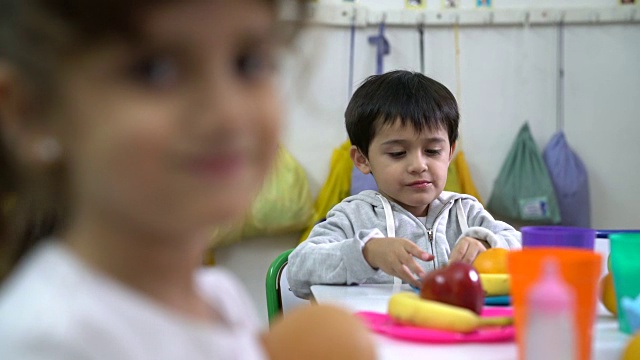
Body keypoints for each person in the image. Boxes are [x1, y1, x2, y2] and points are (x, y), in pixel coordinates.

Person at [0, 1, 376, 359]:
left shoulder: (219, 299)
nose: (227, 114)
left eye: (249, 63)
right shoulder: (50, 340)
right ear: (30, 111)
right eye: (155, 69)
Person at [287, 70, 521, 299]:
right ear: (363, 159)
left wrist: (488, 242)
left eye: (432, 151)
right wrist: (366, 252)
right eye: (398, 153)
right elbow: (299, 269)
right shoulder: (352, 216)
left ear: (449, 152)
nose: (418, 165)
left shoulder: (465, 212)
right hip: (376, 336)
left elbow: (526, 249)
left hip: (455, 334)